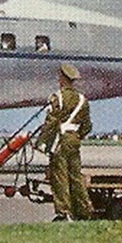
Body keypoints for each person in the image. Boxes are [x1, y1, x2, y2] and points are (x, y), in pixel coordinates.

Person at [35, 63, 93, 221]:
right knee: (75, 176)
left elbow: (51, 122)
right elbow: (87, 126)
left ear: (62, 78)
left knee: (60, 177)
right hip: (74, 140)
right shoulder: (82, 99)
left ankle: (64, 212)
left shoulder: (57, 97)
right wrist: (76, 136)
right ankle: (85, 210)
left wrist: (41, 142)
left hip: (60, 140)